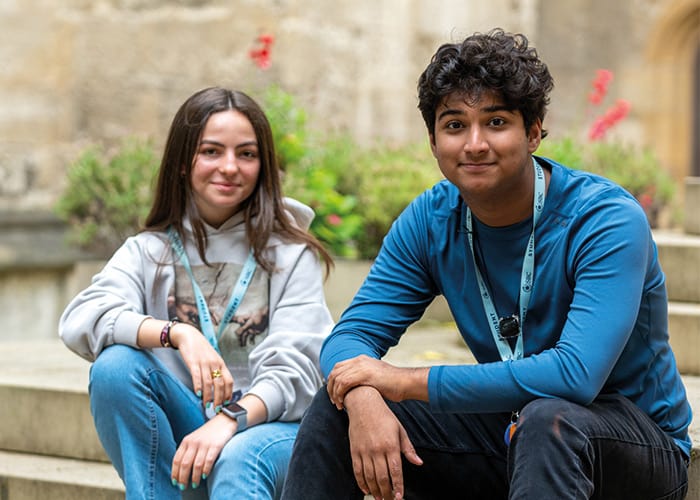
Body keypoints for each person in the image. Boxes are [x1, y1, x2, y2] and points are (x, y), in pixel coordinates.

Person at [281, 29, 692, 500]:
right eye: (455, 125)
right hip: (510, 433)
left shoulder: (604, 219)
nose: (474, 144)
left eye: (496, 122)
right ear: (434, 142)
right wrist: (362, 394)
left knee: (549, 419)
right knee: (336, 409)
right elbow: (350, 338)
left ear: (534, 130)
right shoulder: (432, 220)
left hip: (632, 445)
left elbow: (574, 375)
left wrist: (402, 381)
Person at [59, 87, 335, 499]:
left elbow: (299, 370)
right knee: (115, 367)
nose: (229, 167)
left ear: (262, 166)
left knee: (239, 456)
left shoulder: (291, 254)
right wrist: (178, 334)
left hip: (270, 430)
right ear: (184, 162)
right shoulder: (148, 251)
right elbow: (81, 318)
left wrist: (229, 420)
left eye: (246, 154)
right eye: (211, 151)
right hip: (190, 431)